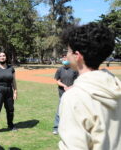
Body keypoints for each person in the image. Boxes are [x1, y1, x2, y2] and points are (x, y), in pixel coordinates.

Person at [58, 22, 121, 150]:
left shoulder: (74, 97)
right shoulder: (116, 86)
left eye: (69, 51)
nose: (67, 55)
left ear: (78, 56)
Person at [0, 51, 18, 135]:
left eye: (4, 56)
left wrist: (15, 91)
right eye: (0, 56)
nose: (2, 57)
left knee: (10, 110)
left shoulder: (11, 68)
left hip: (9, 90)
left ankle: (10, 125)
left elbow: (13, 81)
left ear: (6, 57)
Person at [52, 55, 78, 135]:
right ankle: (56, 127)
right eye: (63, 58)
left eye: (66, 58)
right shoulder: (60, 69)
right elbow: (57, 80)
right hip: (62, 93)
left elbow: (78, 81)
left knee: (73, 111)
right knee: (59, 111)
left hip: (72, 93)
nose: (64, 60)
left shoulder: (74, 69)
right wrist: (64, 86)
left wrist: (70, 87)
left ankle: (73, 128)